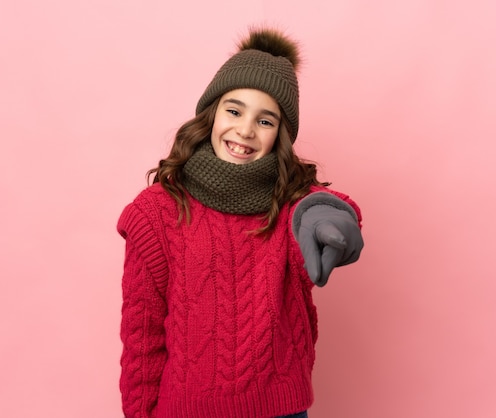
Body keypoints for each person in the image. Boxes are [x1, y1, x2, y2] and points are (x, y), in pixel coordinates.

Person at [117, 27, 364, 418]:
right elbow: (142, 338)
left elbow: (323, 205)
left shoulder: (287, 205)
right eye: (234, 111)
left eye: (265, 121)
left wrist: (322, 213)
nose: (245, 130)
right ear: (212, 113)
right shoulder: (156, 213)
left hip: (280, 410)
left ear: (280, 134)